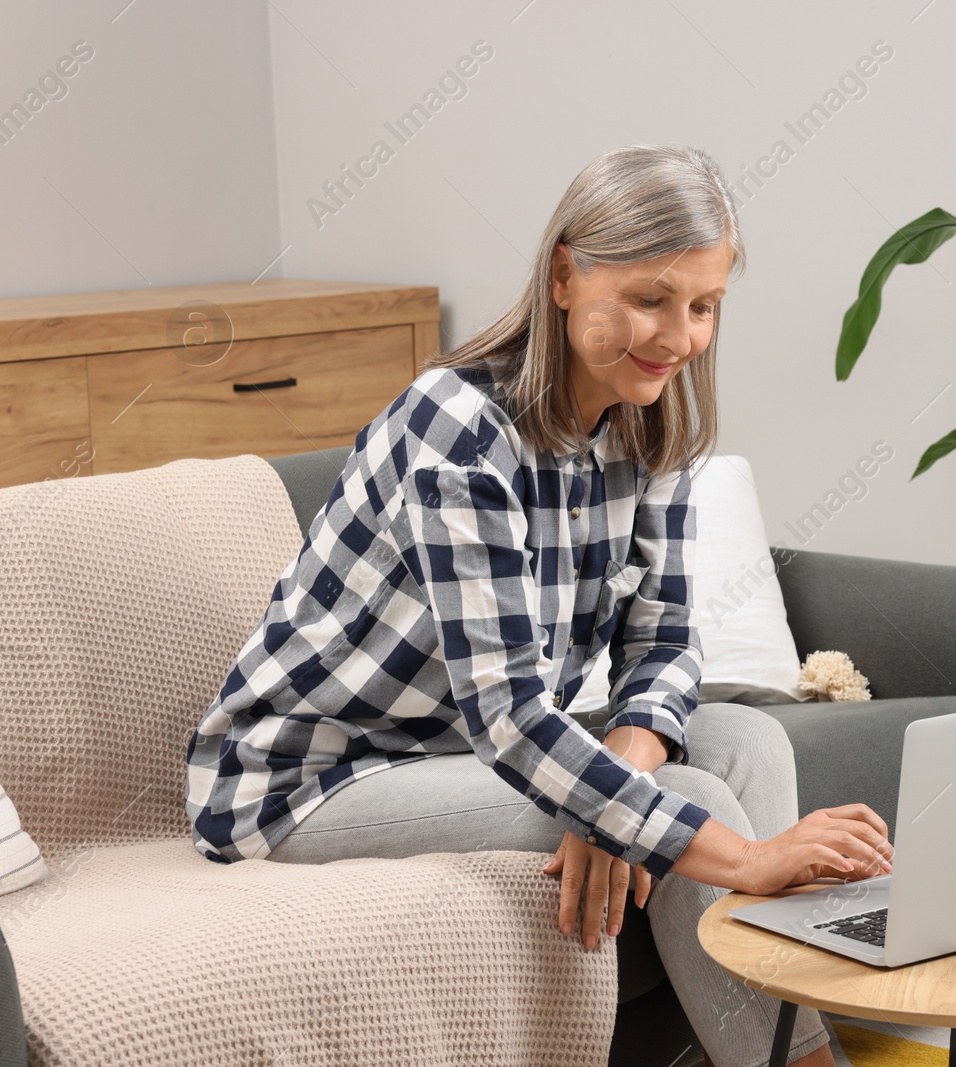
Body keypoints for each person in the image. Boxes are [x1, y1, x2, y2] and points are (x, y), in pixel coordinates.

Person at [184, 143, 892, 1067]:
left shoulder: (651, 417)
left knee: (749, 740)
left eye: (704, 306)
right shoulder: (459, 428)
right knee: (690, 794)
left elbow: (668, 638)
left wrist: (618, 779)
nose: (678, 337)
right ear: (565, 275)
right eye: (651, 298)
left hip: (467, 753)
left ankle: (786, 1047)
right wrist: (735, 851)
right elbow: (513, 720)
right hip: (312, 781)